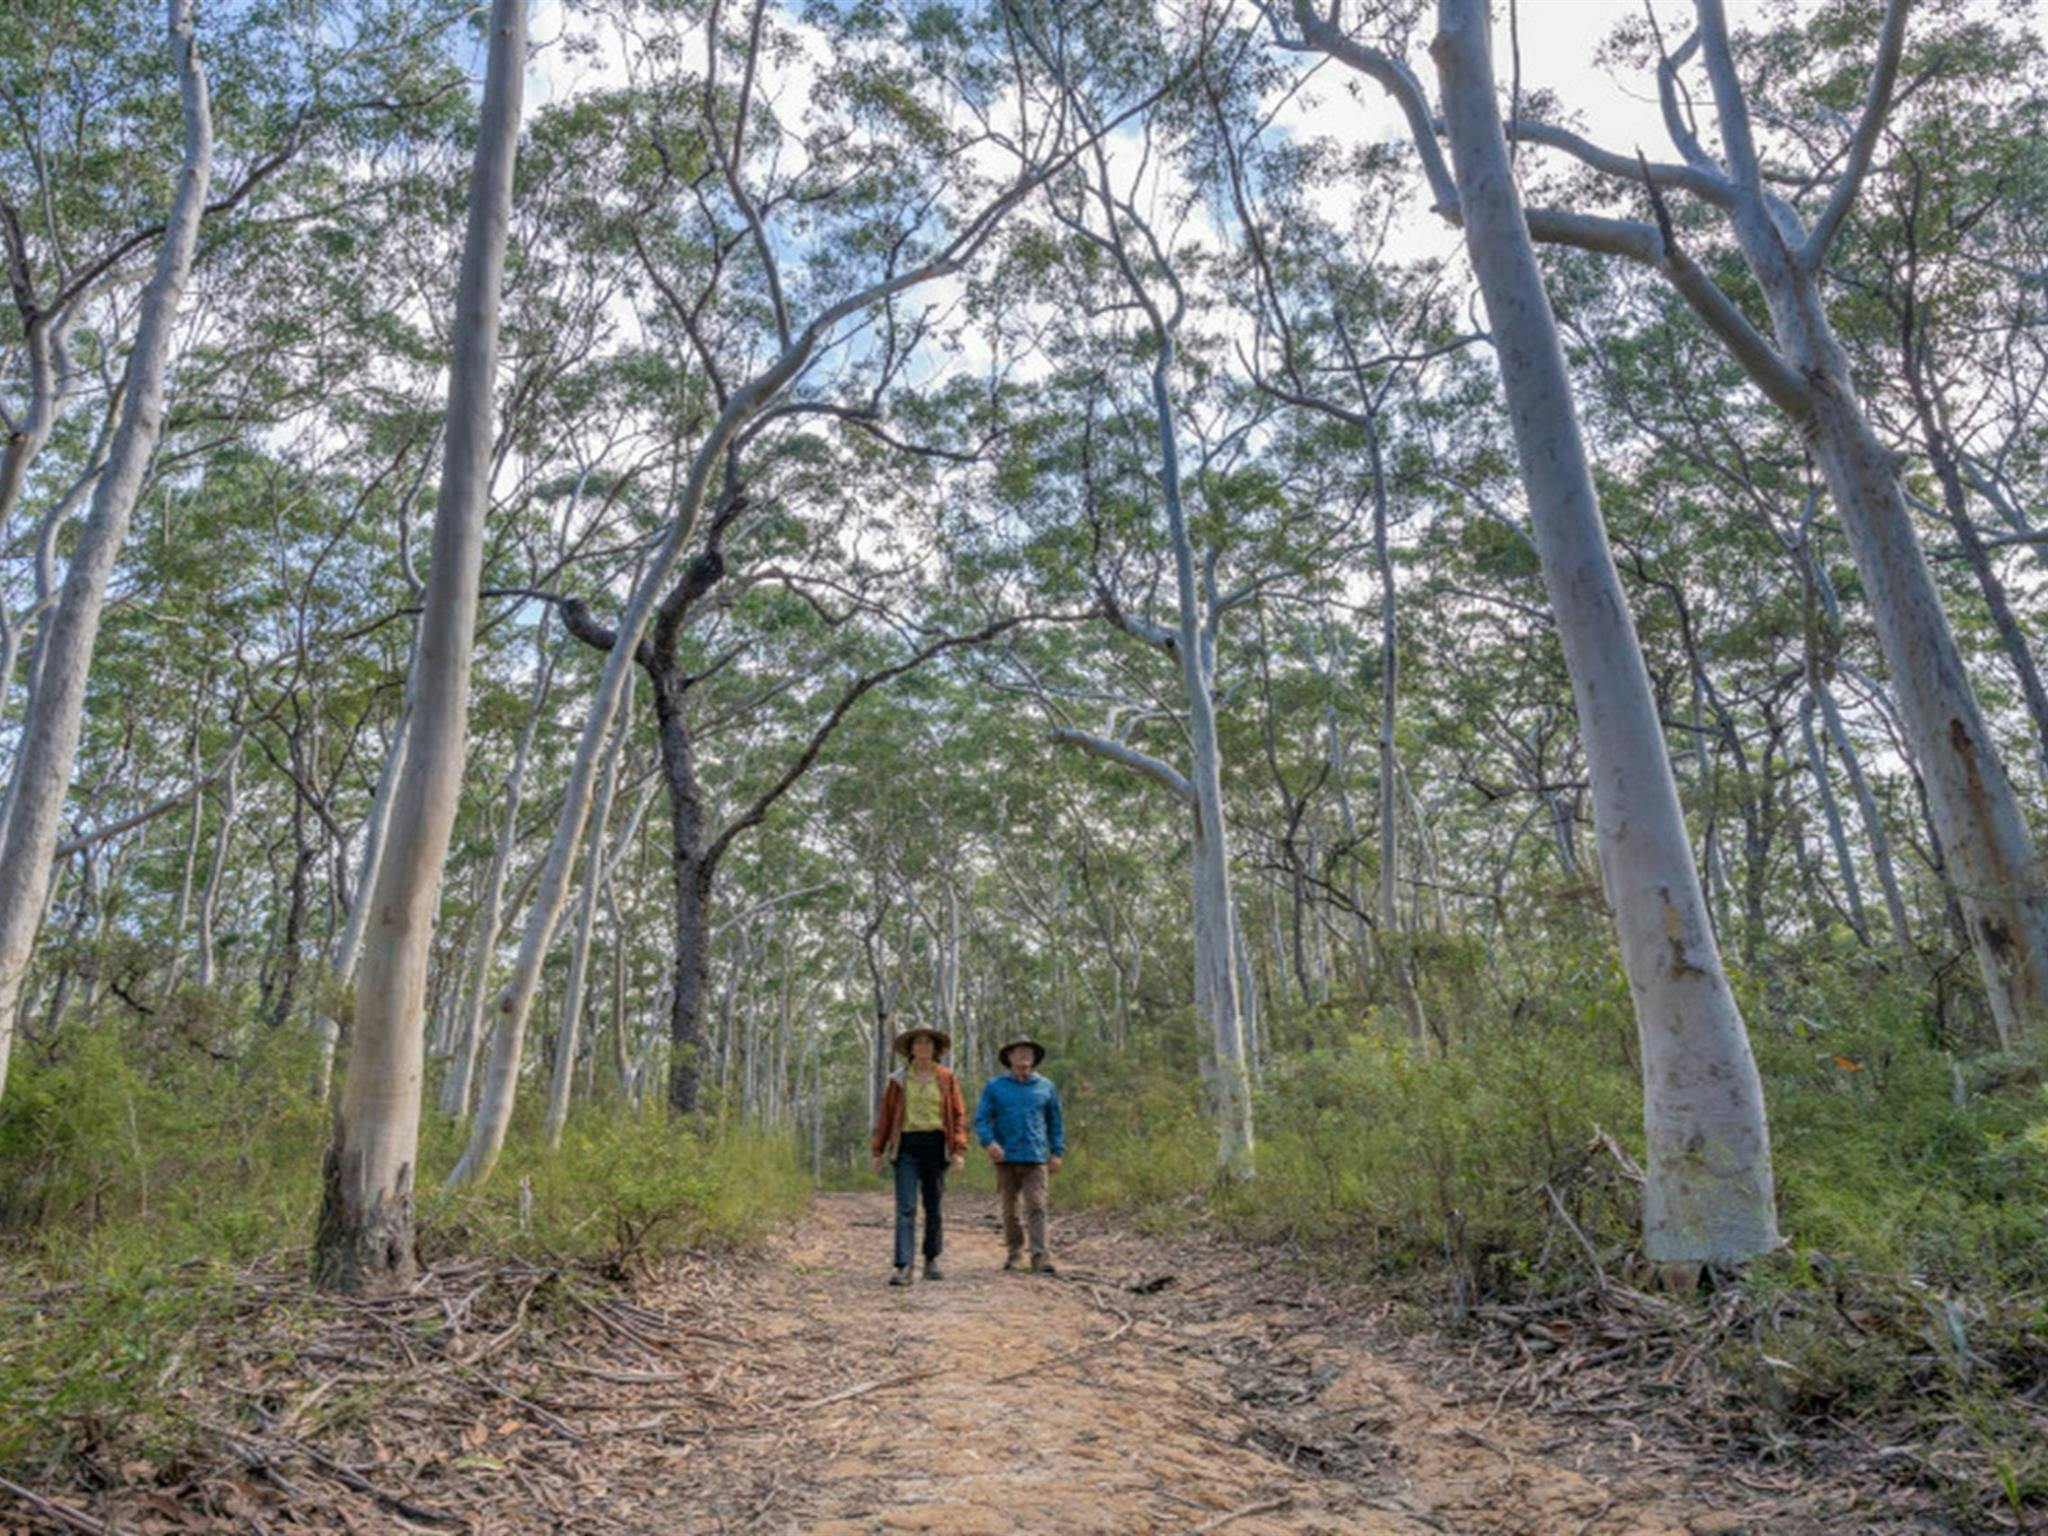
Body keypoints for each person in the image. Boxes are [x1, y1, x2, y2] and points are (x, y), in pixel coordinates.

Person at [869, 1026, 968, 1287]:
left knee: (933, 1206)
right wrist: (878, 1150)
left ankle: (931, 1259)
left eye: (928, 1043)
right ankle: (903, 1265)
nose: (923, 1047)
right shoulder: (898, 1080)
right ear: (911, 1049)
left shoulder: (946, 1078)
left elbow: (958, 1115)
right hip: (907, 1146)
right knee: (906, 1207)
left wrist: (958, 1149)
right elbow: (886, 1116)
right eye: (918, 1043)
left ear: (935, 1049)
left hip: (936, 1145)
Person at [974, 1038, 1064, 1275]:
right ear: (1010, 1058)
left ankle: (1040, 1258)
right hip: (1005, 1156)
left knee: (1037, 1205)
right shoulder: (995, 1086)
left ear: (1034, 1058)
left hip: (1036, 1156)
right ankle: (1015, 1253)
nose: (1024, 1056)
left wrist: (1057, 1152)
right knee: (1009, 1209)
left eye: (1028, 1052)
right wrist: (989, 1142)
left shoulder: (1046, 1086)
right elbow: (982, 1120)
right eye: (1018, 1052)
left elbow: (1055, 1121)